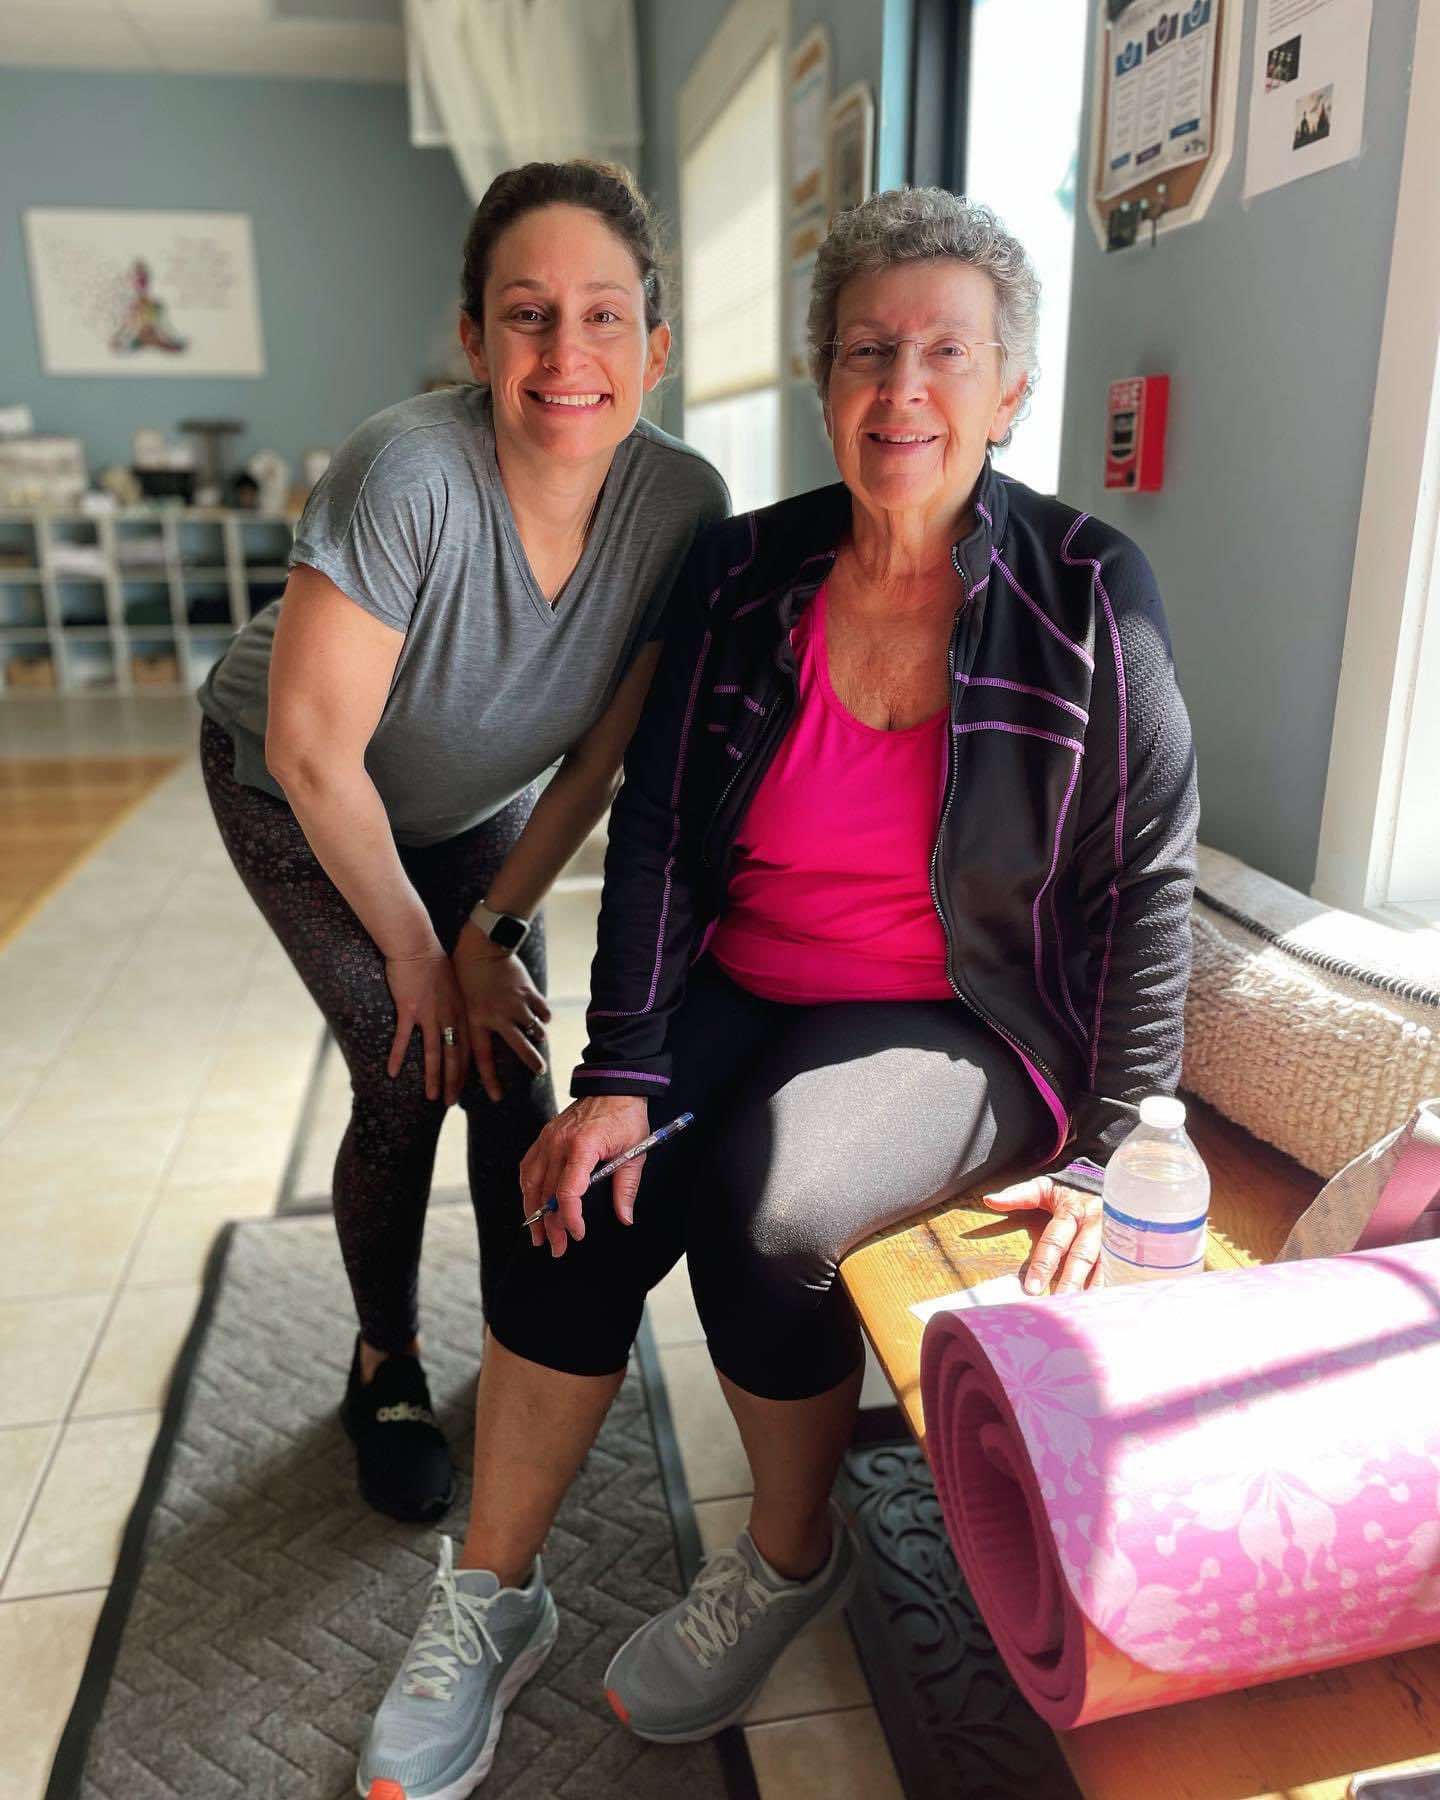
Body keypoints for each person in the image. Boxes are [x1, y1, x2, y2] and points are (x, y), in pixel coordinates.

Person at [355, 187, 1197, 1799]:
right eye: (869, 351)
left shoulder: (1090, 588)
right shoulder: (746, 572)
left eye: (948, 352)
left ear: (1011, 387)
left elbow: (1144, 875)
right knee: (585, 1193)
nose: (904, 391)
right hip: (745, 980)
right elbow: (660, 830)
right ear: (825, 379)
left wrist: (1114, 1141)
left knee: (770, 1204)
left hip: (971, 1017)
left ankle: (790, 1555)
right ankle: (488, 1595)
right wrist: (623, 1071)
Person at [199, 160, 728, 1527]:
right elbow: (317, 752)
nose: (568, 352)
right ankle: (383, 1364)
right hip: (290, 786)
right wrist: (423, 959)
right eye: (529, 313)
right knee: (410, 1060)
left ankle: (522, 1346)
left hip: (477, 793)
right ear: (474, 336)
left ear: (655, 346)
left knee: (510, 1064)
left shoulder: (682, 505)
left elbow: (602, 756)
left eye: (605, 316)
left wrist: (486, 935)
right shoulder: (408, 471)